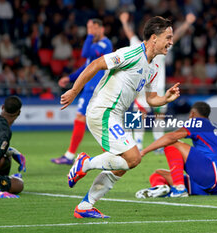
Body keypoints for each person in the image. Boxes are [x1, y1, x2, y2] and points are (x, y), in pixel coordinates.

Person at [60, 16, 180, 218]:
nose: (171, 41)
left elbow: (151, 99)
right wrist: (74, 90)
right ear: (153, 38)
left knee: (125, 163)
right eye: (168, 37)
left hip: (114, 116)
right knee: (133, 157)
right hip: (103, 111)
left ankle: (86, 206)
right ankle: (85, 163)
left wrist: (165, 98)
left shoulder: (153, 67)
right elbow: (97, 63)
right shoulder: (131, 53)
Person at [119, 12, 196, 151]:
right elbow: (176, 36)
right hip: (146, 87)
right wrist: (187, 23)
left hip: (152, 87)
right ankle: (148, 144)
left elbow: (130, 33)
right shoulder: (151, 45)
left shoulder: (151, 44)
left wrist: (124, 21)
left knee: (146, 116)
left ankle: (143, 143)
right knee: (153, 116)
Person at [136, 102, 217, 198]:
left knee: (171, 143)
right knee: (158, 174)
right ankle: (162, 188)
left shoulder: (197, 122)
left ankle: (179, 188)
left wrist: (143, 152)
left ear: (192, 113)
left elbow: (171, 137)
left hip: (211, 174)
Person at [51, 19, 113, 165]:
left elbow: (85, 53)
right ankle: (108, 155)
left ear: (100, 28)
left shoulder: (105, 44)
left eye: (92, 27)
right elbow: (86, 67)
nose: (89, 30)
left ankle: (71, 155)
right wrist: (70, 78)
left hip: (95, 87)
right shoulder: (96, 45)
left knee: (87, 118)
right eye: (88, 28)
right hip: (89, 87)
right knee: (89, 118)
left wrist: (90, 36)